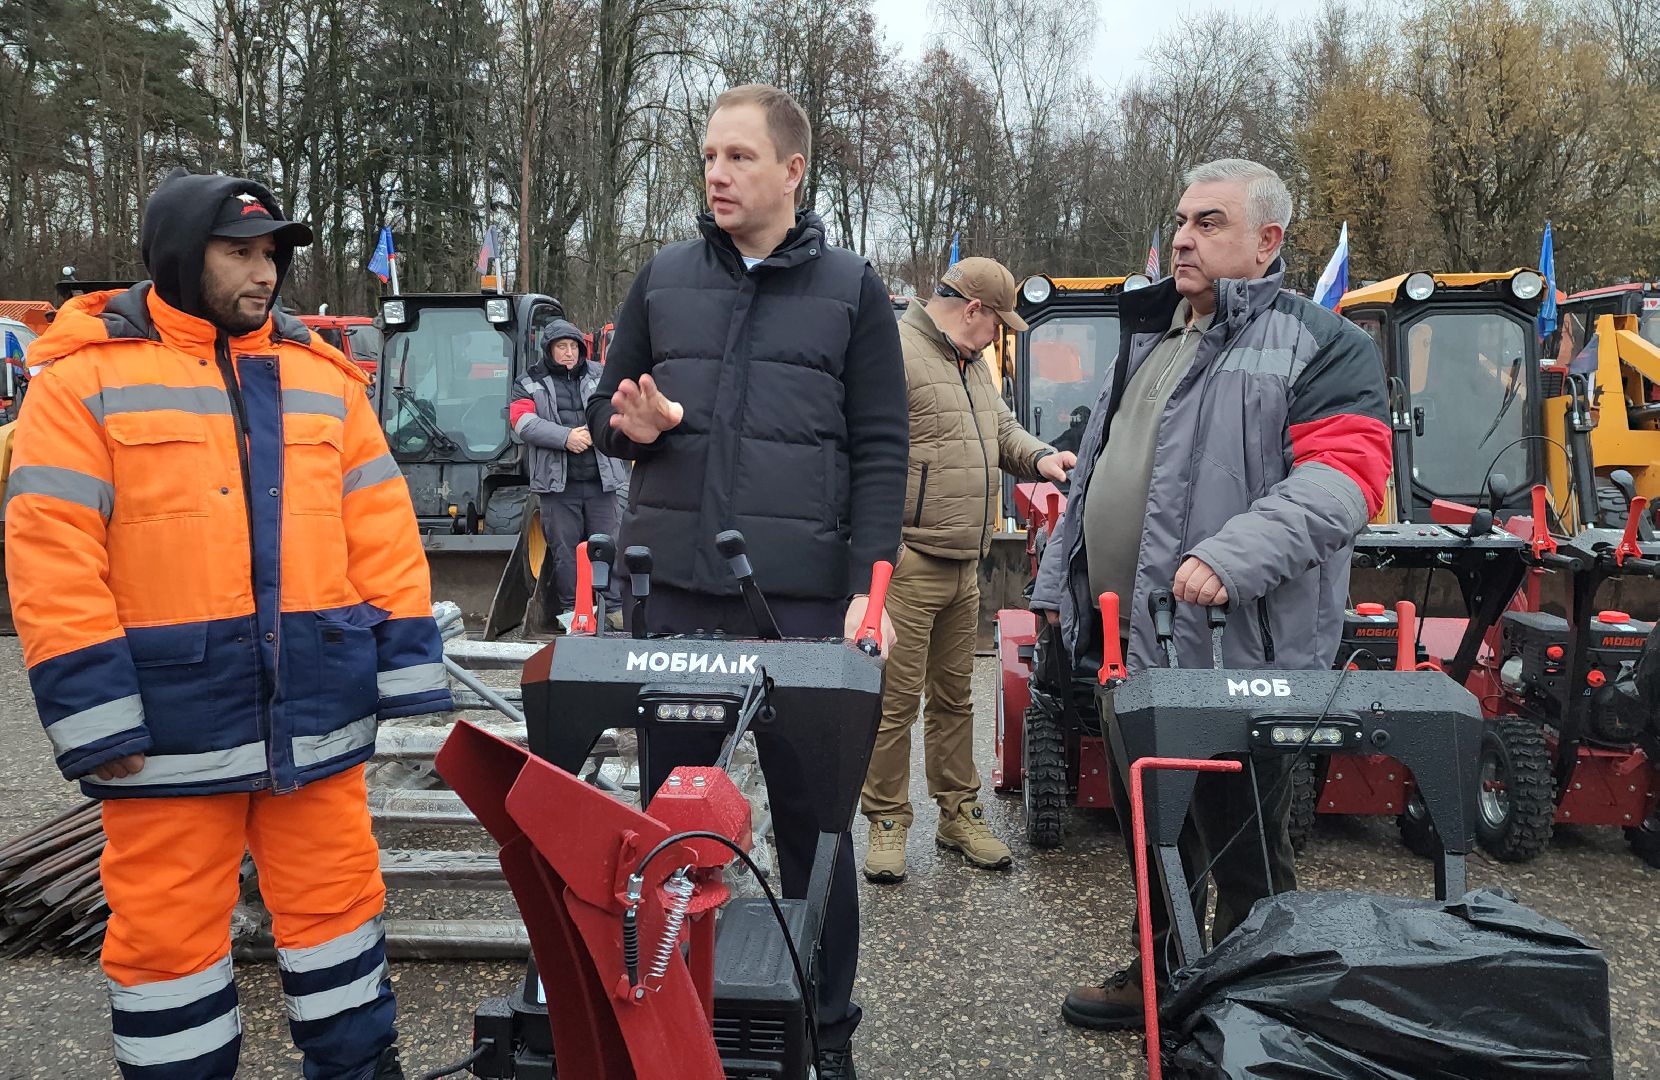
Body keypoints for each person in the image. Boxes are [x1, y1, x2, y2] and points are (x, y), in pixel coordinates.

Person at [5, 168, 450, 1079]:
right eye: (240, 254)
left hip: (316, 716)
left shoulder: (324, 380)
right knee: (168, 945)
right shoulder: (80, 383)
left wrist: (405, 671)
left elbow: (382, 530)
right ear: (180, 257)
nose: (265, 275)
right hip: (169, 729)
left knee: (339, 920)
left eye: (271, 257)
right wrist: (96, 719)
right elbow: (51, 560)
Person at [587, 83, 906, 1080]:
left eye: (738, 156)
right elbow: (607, 411)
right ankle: (672, 1022)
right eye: (708, 156)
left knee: (817, 829)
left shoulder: (854, 292)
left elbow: (882, 449)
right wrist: (622, 429)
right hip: (675, 596)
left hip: (805, 604)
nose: (717, 174)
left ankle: (827, 1034)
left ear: (793, 170)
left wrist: (870, 587)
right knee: (669, 825)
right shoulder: (664, 278)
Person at [1031, 158, 1389, 1031]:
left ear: (1268, 241)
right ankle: (1160, 969)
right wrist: (1057, 582)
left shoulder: (1322, 343)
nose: (1184, 237)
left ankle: (1257, 999)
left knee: (1247, 846)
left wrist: (1233, 556)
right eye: (1182, 220)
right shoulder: (1153, 335)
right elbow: (1100, 476)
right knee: (1150, 828)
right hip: (1131, 645)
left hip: (1241, 652)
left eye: (1210, 222)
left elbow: (1349, 479)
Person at [859, 256, 1075, 883]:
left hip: (966, 562)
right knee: (893, 702)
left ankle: (958, 813)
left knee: (956, 697)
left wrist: (1041, 458)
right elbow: (862, 451)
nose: (999, 336)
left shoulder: (973, 364)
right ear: (973, 309)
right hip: (908, 561)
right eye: (997, 323)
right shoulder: (894, 352)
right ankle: (887, 820)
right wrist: (881, 548)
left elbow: (1002, 431)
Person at [509, 318, 627, 622]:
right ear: (549, 350)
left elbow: (618, 407)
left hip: (603, 483)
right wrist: (566, 438)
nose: (569, 352)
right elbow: (523, 423)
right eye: (562, 346)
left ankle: (613, 611)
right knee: (566, 553)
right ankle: (575, 614)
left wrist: (593, 430)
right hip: (558, 488)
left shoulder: (602, 376)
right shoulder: (528, 382)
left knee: (608, 547)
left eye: (573, 346)